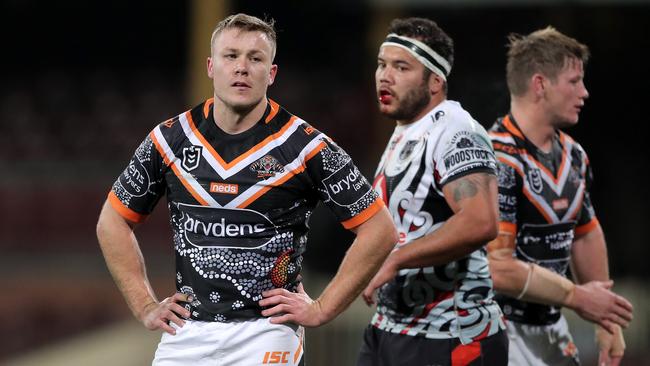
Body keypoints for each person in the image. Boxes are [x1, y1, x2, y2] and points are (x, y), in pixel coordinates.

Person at [96, 13, 397, 366]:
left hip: (267, 331)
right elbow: (112, 221)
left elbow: (380, 229)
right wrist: (145, 305)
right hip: (187, 333)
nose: (242, 68)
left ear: (271, 73)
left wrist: (322, 308)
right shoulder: (168, 141)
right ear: (210, 66)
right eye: (231, 56)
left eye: (255, 59)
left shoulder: (307, 147)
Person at [354, 17, 508, 366]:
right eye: (382, 64)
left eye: (401, 67)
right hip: (392, 328)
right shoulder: (406, 129)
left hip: (449, 335)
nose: (384, 75)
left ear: (435, 81)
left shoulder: (456, 131)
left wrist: (394, 260)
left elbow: (481, 222)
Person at [486, 27, 633, 366]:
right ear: (540, 85)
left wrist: (606, 318)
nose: (584, 92)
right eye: (574, 81)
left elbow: (584, 232)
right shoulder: (497, 159)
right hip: (498, 330)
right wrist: (578, 296)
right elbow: (498, 268)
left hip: (551, 327)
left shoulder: (574, 155)